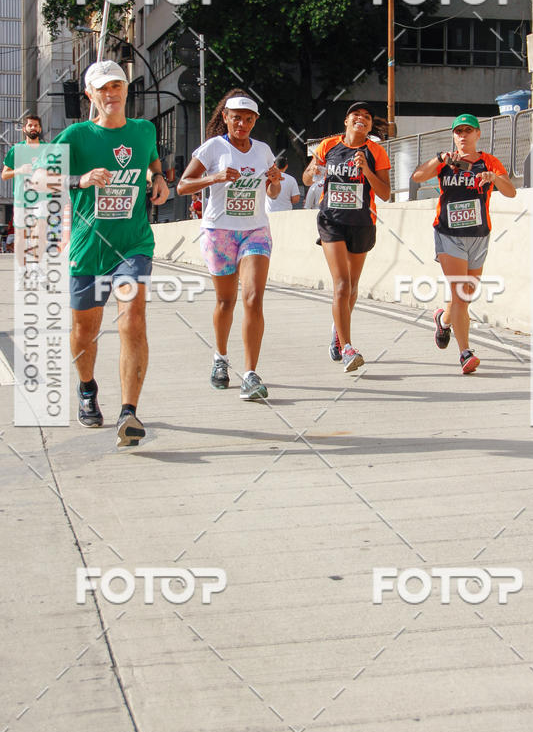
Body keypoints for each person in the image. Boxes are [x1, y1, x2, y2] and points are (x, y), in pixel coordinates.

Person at [52, 60, 169, 446]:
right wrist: (79, 179)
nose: (111, 92)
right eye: (102, 88)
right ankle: (87, 387)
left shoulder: (144, 129)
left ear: (126, 89)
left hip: (132, 245)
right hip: (88, 250)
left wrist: (159, 177)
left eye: (117, 85)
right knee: (85, 330)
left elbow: (151, 159)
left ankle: (128, 412)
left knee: (132, 318)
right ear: (91, 95)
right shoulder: (75, 135)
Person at [177, 89, 281, 401]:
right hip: (219, 232)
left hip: (255, 231)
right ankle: (220, 358)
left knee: (252, 298)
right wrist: (215, 178)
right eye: (237, 118)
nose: (243, 124)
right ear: (225, 117)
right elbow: (182, 186)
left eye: (249, 119)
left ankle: (250, 375)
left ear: (255, 122)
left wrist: (274, 180)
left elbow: (273, 195)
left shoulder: (262, 151)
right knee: (226, 302)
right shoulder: (213, 148)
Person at [412, 112, 516, 374]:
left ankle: (443, 319)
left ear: (478, 134)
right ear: (453, 136)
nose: (463, 135)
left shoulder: (489, 162)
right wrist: (439, 159)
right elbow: (417, 177)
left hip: (479, 235)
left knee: (465, 297)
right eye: (459, 131)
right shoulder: (445, 162)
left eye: (468, 131)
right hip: (448, 234)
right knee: (460, 292)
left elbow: (510, 191)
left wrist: (494, 178)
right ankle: (465, 353)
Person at [302, 101, 391, 372]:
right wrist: (313, 171)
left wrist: (366, 170)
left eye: (366, 117)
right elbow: (307, 178)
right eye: (356, 115)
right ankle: (348, 347)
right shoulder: (328, 146)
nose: (361, 119)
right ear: (346, 121)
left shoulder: (376, 152)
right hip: (332, 221)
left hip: (362, 222)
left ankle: (337, 332)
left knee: (352, 288)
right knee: (341, 284)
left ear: (369, 125)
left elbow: (386, 193)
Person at [1, 115, 47, 287]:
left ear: (40, 129)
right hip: (21, 197)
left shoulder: (47, 149)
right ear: (24, 129)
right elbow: (4, 175)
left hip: (41, 196)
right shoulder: (16, 150)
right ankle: (22, 269)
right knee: (20, 235)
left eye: (36, 125)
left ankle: (36, 266)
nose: (33, 128)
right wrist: (19, 170)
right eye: (30, 125)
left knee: (40, 230)